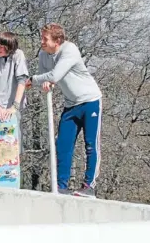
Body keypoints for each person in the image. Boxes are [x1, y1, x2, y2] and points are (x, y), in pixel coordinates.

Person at [26, 23, 102, 198]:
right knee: (63, 144)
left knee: (91, 145)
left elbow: (53, 75)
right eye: (42, 38)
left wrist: (34, 80)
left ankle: (89, 186)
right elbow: (46, 76)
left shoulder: (70, 50)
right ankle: (61, 186)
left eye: (45, 39)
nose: (42, 42)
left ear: (57, 41)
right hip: (71, 104)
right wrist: (44, 82)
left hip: (90, 101)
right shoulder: (44, 55)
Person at [0, 31, 29, 184]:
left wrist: (14, 106)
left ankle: (13, 179)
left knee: (12, 145)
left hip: (12, 108)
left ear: (10, 47)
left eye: (2, 47)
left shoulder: (18, 55)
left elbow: (22, 81)